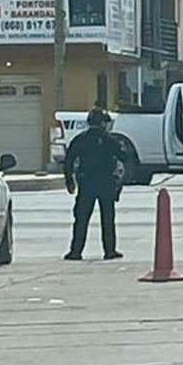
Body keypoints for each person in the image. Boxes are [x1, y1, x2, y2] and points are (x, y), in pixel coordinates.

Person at [63, 108, 129, 261]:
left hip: (86, 183)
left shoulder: (80, 139)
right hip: (106, 183)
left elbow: (69, 160)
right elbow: (124, 156)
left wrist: (69, 180)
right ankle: (109, 250)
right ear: (102, 124)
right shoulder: (109, 140)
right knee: (108, 218)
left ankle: (76, 251)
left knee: (81, 218)